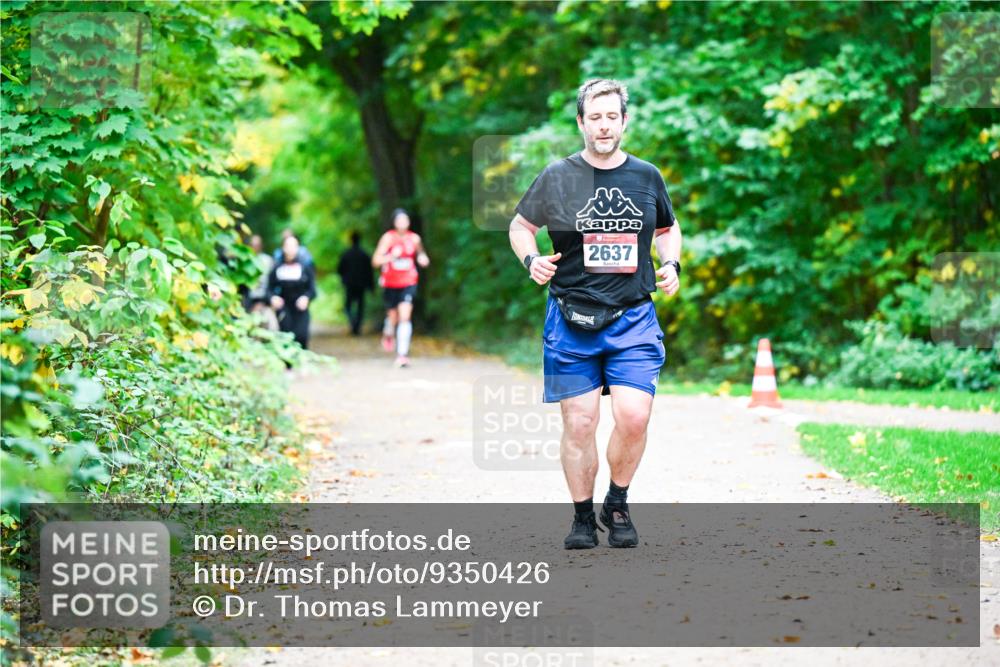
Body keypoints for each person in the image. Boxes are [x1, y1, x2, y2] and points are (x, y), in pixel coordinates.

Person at [508, 79, 682, 549]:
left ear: (624, 121)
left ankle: (617, 502)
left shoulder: (646, 177)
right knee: (580, 423)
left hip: (633, 316)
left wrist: (671, 263)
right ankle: (583, 518)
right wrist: (532, 260)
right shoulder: (558, 176)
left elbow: (668, 227)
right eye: (595, 117)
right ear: (581, 122)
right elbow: (520, 226)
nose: (604, 126)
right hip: (572, 316)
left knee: (633, 417)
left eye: (612, 117)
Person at [372, 208, 430, 368]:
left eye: (405, 220)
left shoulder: (414, 239)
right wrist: (391, 256)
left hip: (408, 282)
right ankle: (389, 331)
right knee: (393, 317)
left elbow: (421, 254)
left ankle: (402, 354)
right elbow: (375, 261)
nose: (402, 223)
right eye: (399, 220)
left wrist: (422, 258)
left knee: (405, 316)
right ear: (394, 222)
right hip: (390, 282)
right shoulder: (388, 238)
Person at [267, 234, 317, 351]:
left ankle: (301, 361)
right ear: (283, 248)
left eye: (294, 246)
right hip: (284, 306)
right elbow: (269, 288)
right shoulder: (277, 266)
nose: (291, 249)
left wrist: (306, 298)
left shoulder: (305, 266)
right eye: (288, 246)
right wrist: (273, 298)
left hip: (301, 308)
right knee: (285, 335)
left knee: (301, 335)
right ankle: (287, 364)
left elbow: (312, 290)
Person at [337, 231, 374, 336]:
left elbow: (339, 269)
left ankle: (353, 323)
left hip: (349, 284)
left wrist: (344, 279)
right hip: (361, 285)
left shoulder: (346, 254)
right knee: (360, 306)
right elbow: (369, 272)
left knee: (348, 306)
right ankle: (356, 325)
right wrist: (371, 286)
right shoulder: (364, 254)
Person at [246, 235, 278, 330]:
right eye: (252, 245)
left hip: (265, 302)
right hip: (247, 304)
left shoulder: (268, 261)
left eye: (257, 245)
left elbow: (273, 283)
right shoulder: (244, 260)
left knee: (272, 327)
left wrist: (267, 301)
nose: (255, 247)